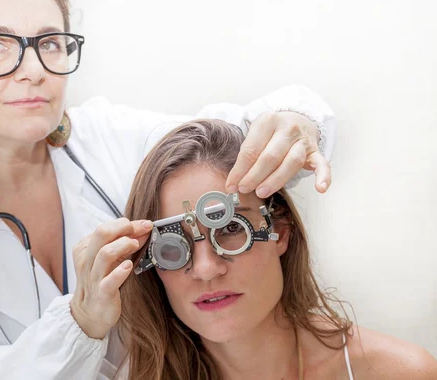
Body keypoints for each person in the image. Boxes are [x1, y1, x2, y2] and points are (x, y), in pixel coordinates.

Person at [0, 0, 336, 379]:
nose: (33, 71)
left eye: (49, 43)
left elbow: (245, 137)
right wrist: (80, 323)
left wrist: (298, 121)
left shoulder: (112, 137)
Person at [119, 119, 437, 380]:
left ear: (281, 232)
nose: (205, 268)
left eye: (231, 228)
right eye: (172, 247)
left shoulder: (399, 371)